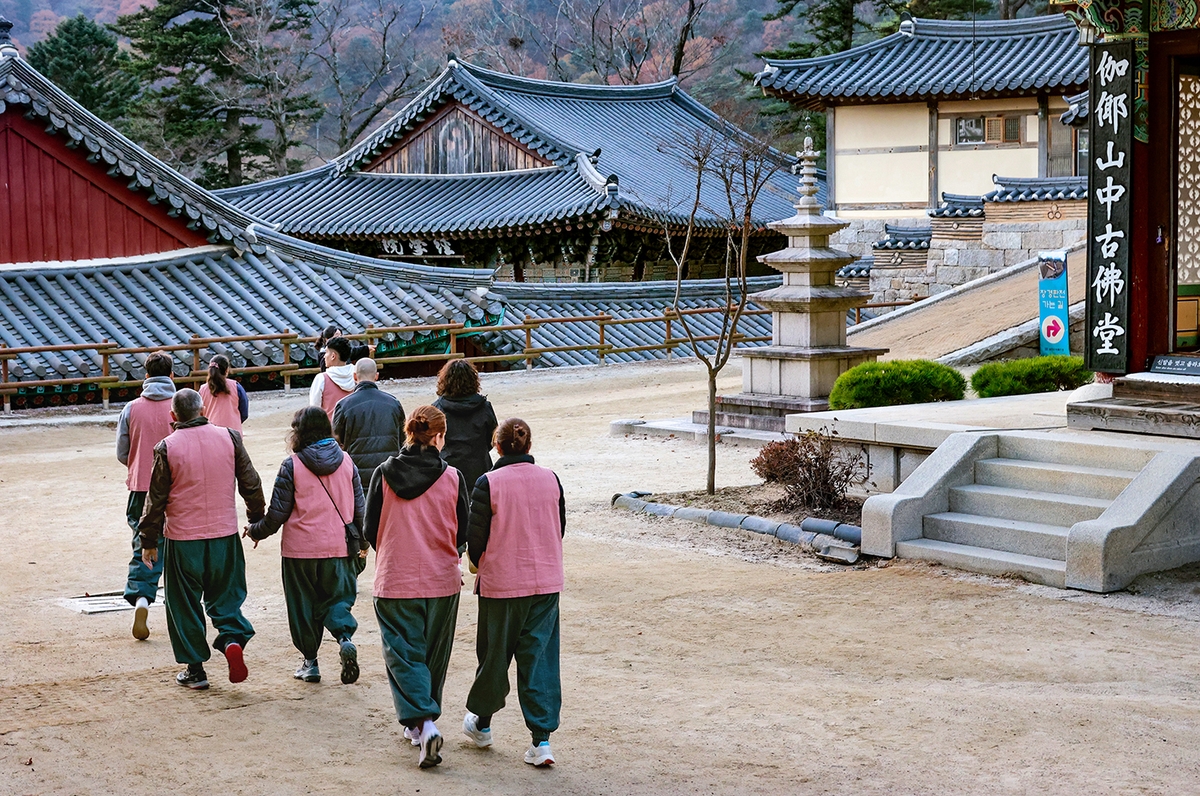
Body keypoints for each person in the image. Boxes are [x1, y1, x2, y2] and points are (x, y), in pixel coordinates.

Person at [138, 389, 266, 691]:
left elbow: (155, 499)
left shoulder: (167, 447)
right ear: (203, 408)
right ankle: (232, 639)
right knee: (227, 597)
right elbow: (251, 481)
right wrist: (255, 517)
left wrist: (148, 540)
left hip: (183, 539)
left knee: (183, 604)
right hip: (224, 534)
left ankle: (195, 670)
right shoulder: (230, 438)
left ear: (173, 416)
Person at [364, 405, 469, 769]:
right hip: (442, 579)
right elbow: (464, 531)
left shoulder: (383, 474)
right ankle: (422, 721)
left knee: (403, 654)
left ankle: (422, 723)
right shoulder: (454, 477)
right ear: (439, 436)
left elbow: (369, 528)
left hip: (395, 576)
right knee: (432, 656)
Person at [462, 418, 566, 768]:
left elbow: (476, 541)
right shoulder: (551, 479)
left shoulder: (488, 482)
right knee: (540, 660)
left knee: (494, 657)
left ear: (498, 447)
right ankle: (542, 740)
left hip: (503, 583)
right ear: (529, 446)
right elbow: (559, 526)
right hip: (546, 580)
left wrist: (483, 562)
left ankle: (483, 722)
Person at [246, 407, 366, 686]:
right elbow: (360, 508)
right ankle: (344, 638)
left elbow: (277, 514)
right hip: (338, 547)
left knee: (302, 607)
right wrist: (362, 542)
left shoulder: (292, 465)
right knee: (337, 600)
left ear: (299, 432)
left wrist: (255, 531)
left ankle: (310, 663)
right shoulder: (347, 462)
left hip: (300, 551)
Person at [115, 351, 176, 641]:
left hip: (141, 486)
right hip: (177, 486)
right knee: (178, 545)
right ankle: (182, 608)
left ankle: (141, 599)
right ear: (172, 375)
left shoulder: (131, 408)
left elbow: (122, 452)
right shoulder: (181, 406)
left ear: (146, 376)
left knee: (145, 543)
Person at [332, 358, 405, 489]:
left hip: (356, 473)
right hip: (388, 472)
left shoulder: (343, 405)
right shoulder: (393, 403)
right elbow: (403, 439)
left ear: (354, 376)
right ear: (376, 376)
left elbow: (337, 441)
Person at [433, 360, 498, 493]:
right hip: (480, 466)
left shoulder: (437, 409)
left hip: (448, 468)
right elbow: (492, 438)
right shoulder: (485, 407)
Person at [198, 354, 249, 432]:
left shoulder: (202, 389)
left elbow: (198, 413)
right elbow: (244, 411)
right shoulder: (236, 386)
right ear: (226, 370)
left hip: (210, 431)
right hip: (233, 432)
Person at [309, 337, 355, 420]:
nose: (324, 357)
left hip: (330, 430)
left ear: (333, 356)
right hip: (354, 428)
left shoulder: (322, 378)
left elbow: (314, 410)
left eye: (326, 352)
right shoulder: (357, 375)